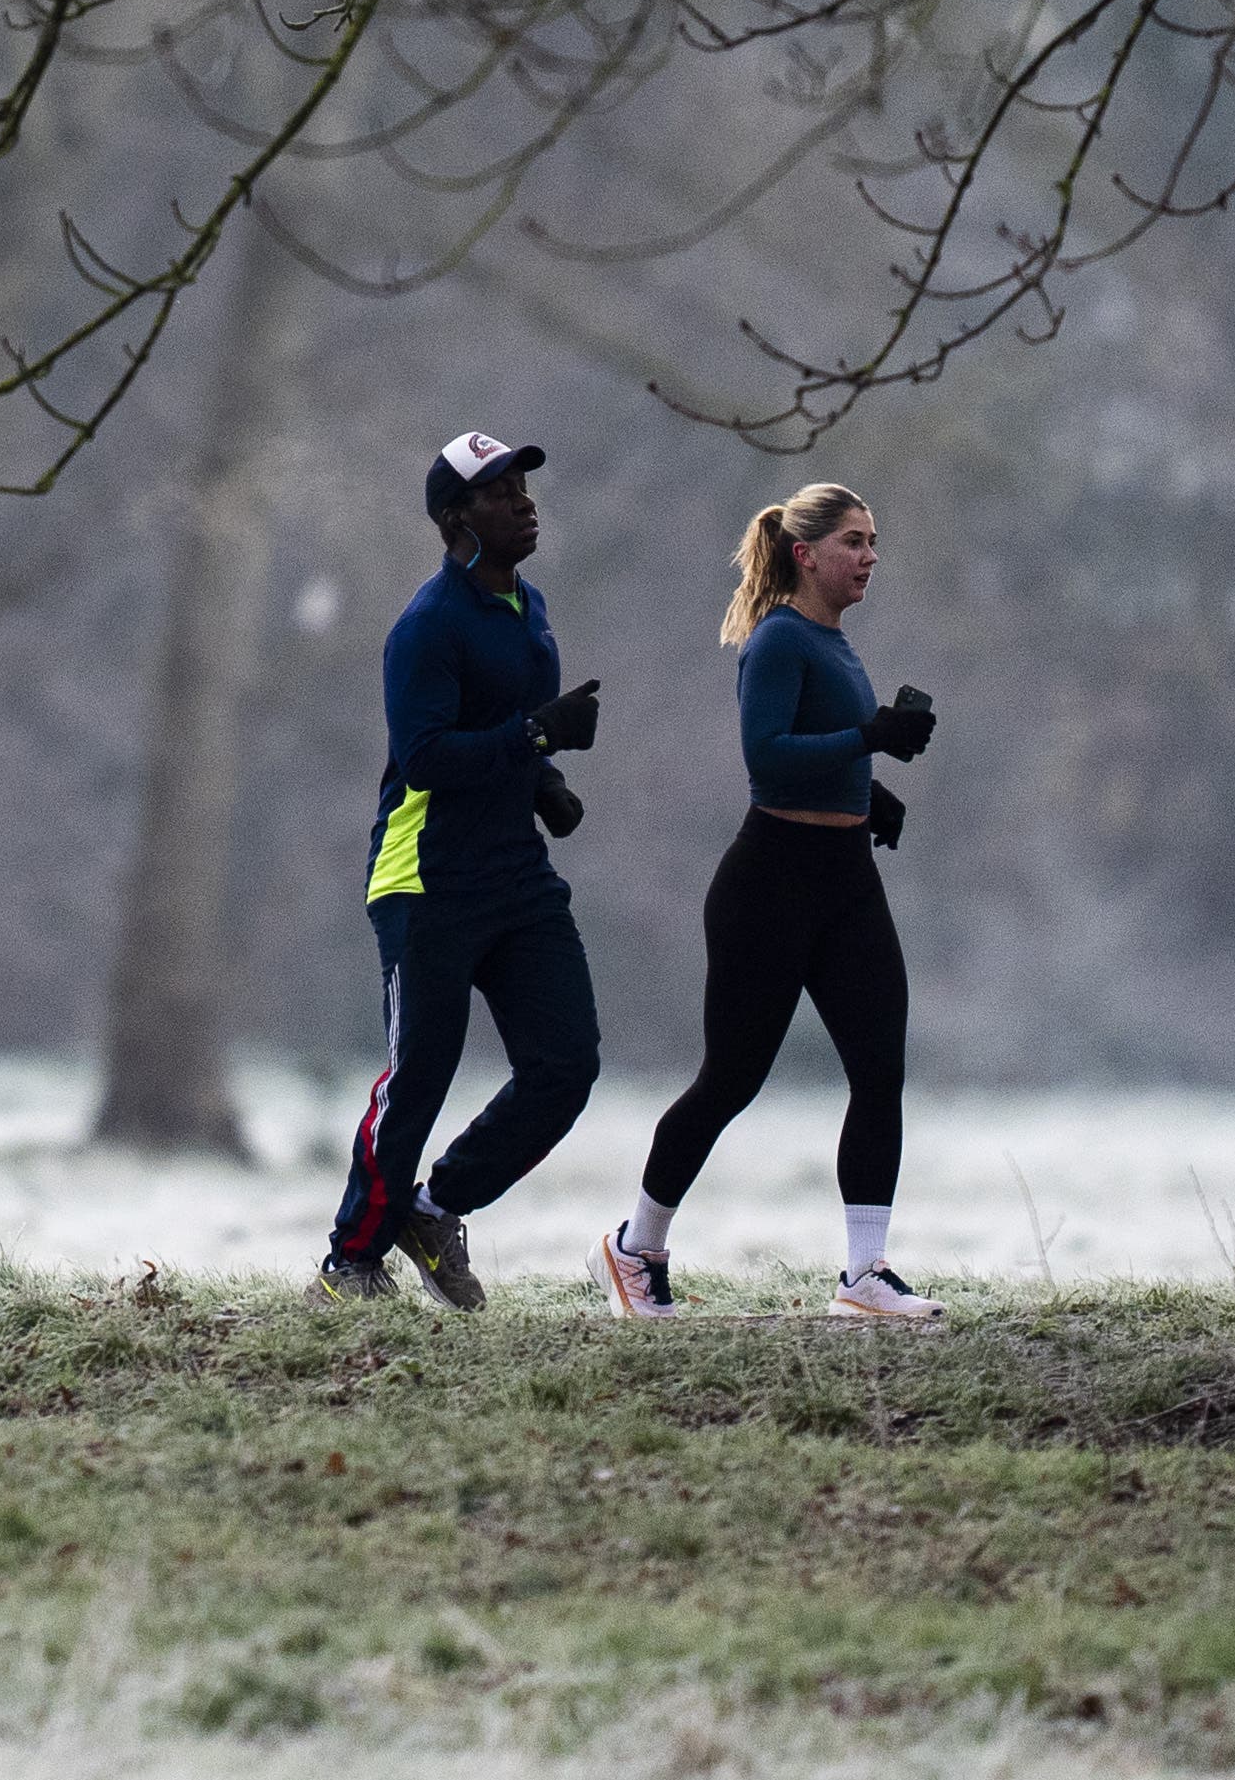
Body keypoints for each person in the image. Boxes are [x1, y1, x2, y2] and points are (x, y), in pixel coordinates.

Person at [598, 481, 943, 1323]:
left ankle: (865, 1274)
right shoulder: (778, 639)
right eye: (854, 541)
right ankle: (635, 1246)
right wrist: (868, 739)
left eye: (873, 541)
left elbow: (821, 750)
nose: (868, 556)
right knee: (730, 1079)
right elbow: (769, 755)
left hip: (845, 880)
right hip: (769, 884)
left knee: (879, 1069)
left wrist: (870, 792)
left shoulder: (835, 641)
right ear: (805, 552)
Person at [315, 429, 603, 1308]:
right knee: (422, 1073)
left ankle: (432, 1208)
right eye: (499, 490)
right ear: (454, 520)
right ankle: (349, 1262)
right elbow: (429, 755)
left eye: (524, 484)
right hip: (425, 874)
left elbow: (510, 723)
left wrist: (543, 780)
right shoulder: (426, 626)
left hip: (516, 872)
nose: (523, 500)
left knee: (564, 1066)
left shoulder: (531, 607)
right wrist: (537, 736)